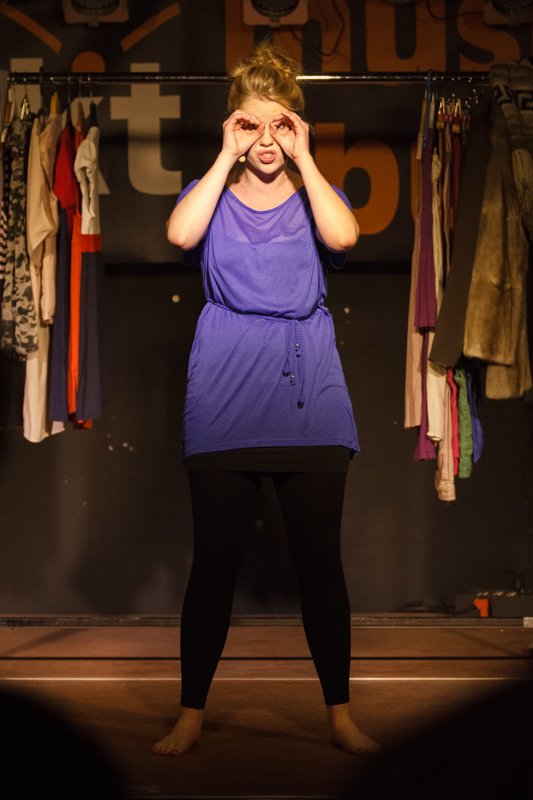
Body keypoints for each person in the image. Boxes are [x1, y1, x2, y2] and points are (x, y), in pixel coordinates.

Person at [153, 42, 379, 757]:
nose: (266, 140)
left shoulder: (315, 193)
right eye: (250, 124)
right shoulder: (211, 193)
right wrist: (225, 155)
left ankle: (340, 716)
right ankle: (190, 715)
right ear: (232, 126)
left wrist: (306, 156)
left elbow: (345, 234)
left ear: (297, 127)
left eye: (280, 124)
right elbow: (178, 232)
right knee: (214, 565)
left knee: (320, 565)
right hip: (224, 389)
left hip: (309, 390)